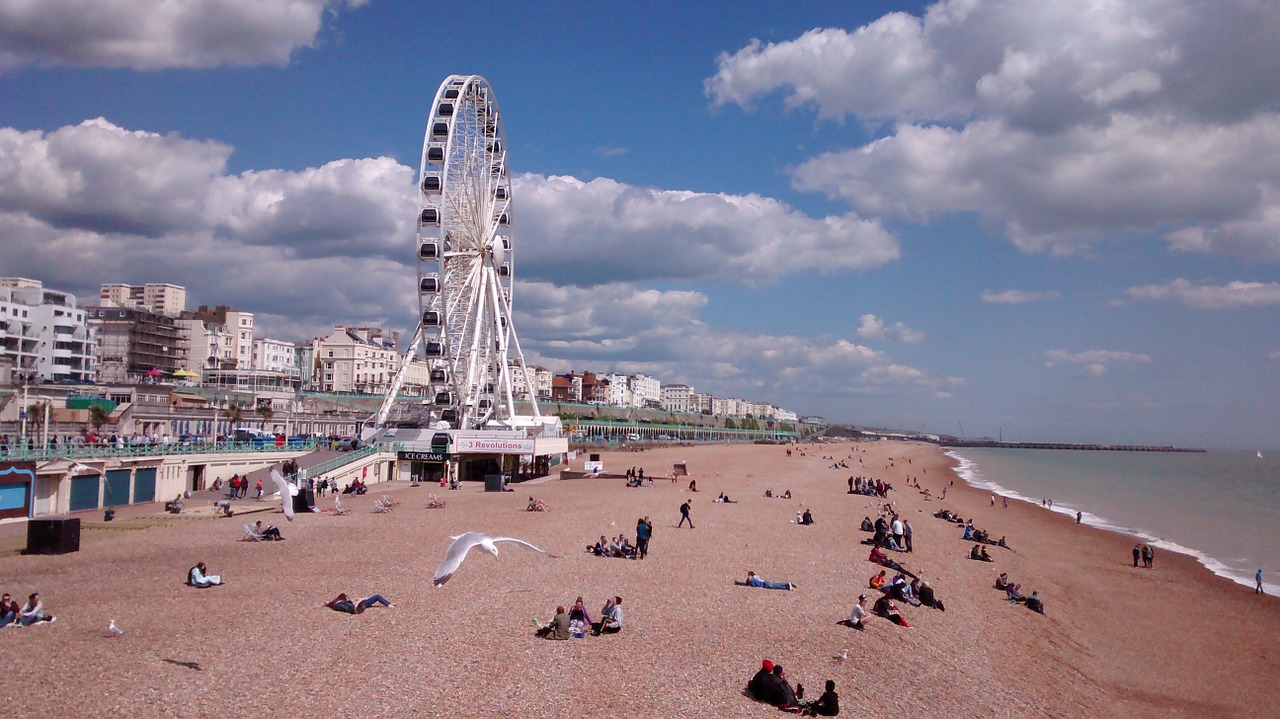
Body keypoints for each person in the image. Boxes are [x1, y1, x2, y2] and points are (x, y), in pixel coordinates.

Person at [325, 592, 394, 614]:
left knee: (346, 607)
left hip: (360, 604)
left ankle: (355, 610)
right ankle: (355, 610)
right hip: (358, 605)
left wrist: (358, 601)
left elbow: (363, 599)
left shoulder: (337, 601)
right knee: (346, 606)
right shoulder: (342, 600)